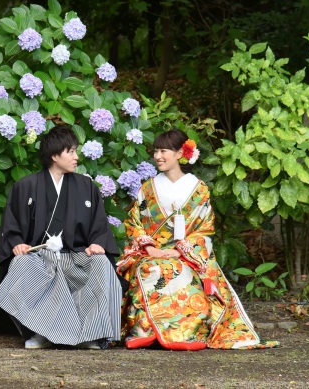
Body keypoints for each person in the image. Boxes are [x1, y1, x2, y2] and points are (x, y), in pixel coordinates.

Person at [118, 129, 279, 350]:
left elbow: (204, 229)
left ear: (179, 154)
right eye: (155, 151)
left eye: (164, 151)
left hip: (188, 253)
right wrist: (150, 248)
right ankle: (144, 330)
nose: (158, 156)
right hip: (152, 251)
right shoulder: (148, 188)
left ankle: (187, 332)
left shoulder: (198, 189)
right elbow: (134, 222)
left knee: (181, 270)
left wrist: (179, 251)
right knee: (150, 269)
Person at [0, 124, 123, 350]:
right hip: (40, 257)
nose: (76, 157)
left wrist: (96, 244)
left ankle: (89, 334)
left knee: (102, 263)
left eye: (75, 151)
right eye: (71, 152)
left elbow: (99, 226)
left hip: (77, 256)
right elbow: (11, 227)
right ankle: (40, 331)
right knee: (21, 263)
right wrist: (17, 244)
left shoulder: (86, 186)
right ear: (55, 155)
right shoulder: (26, 186)